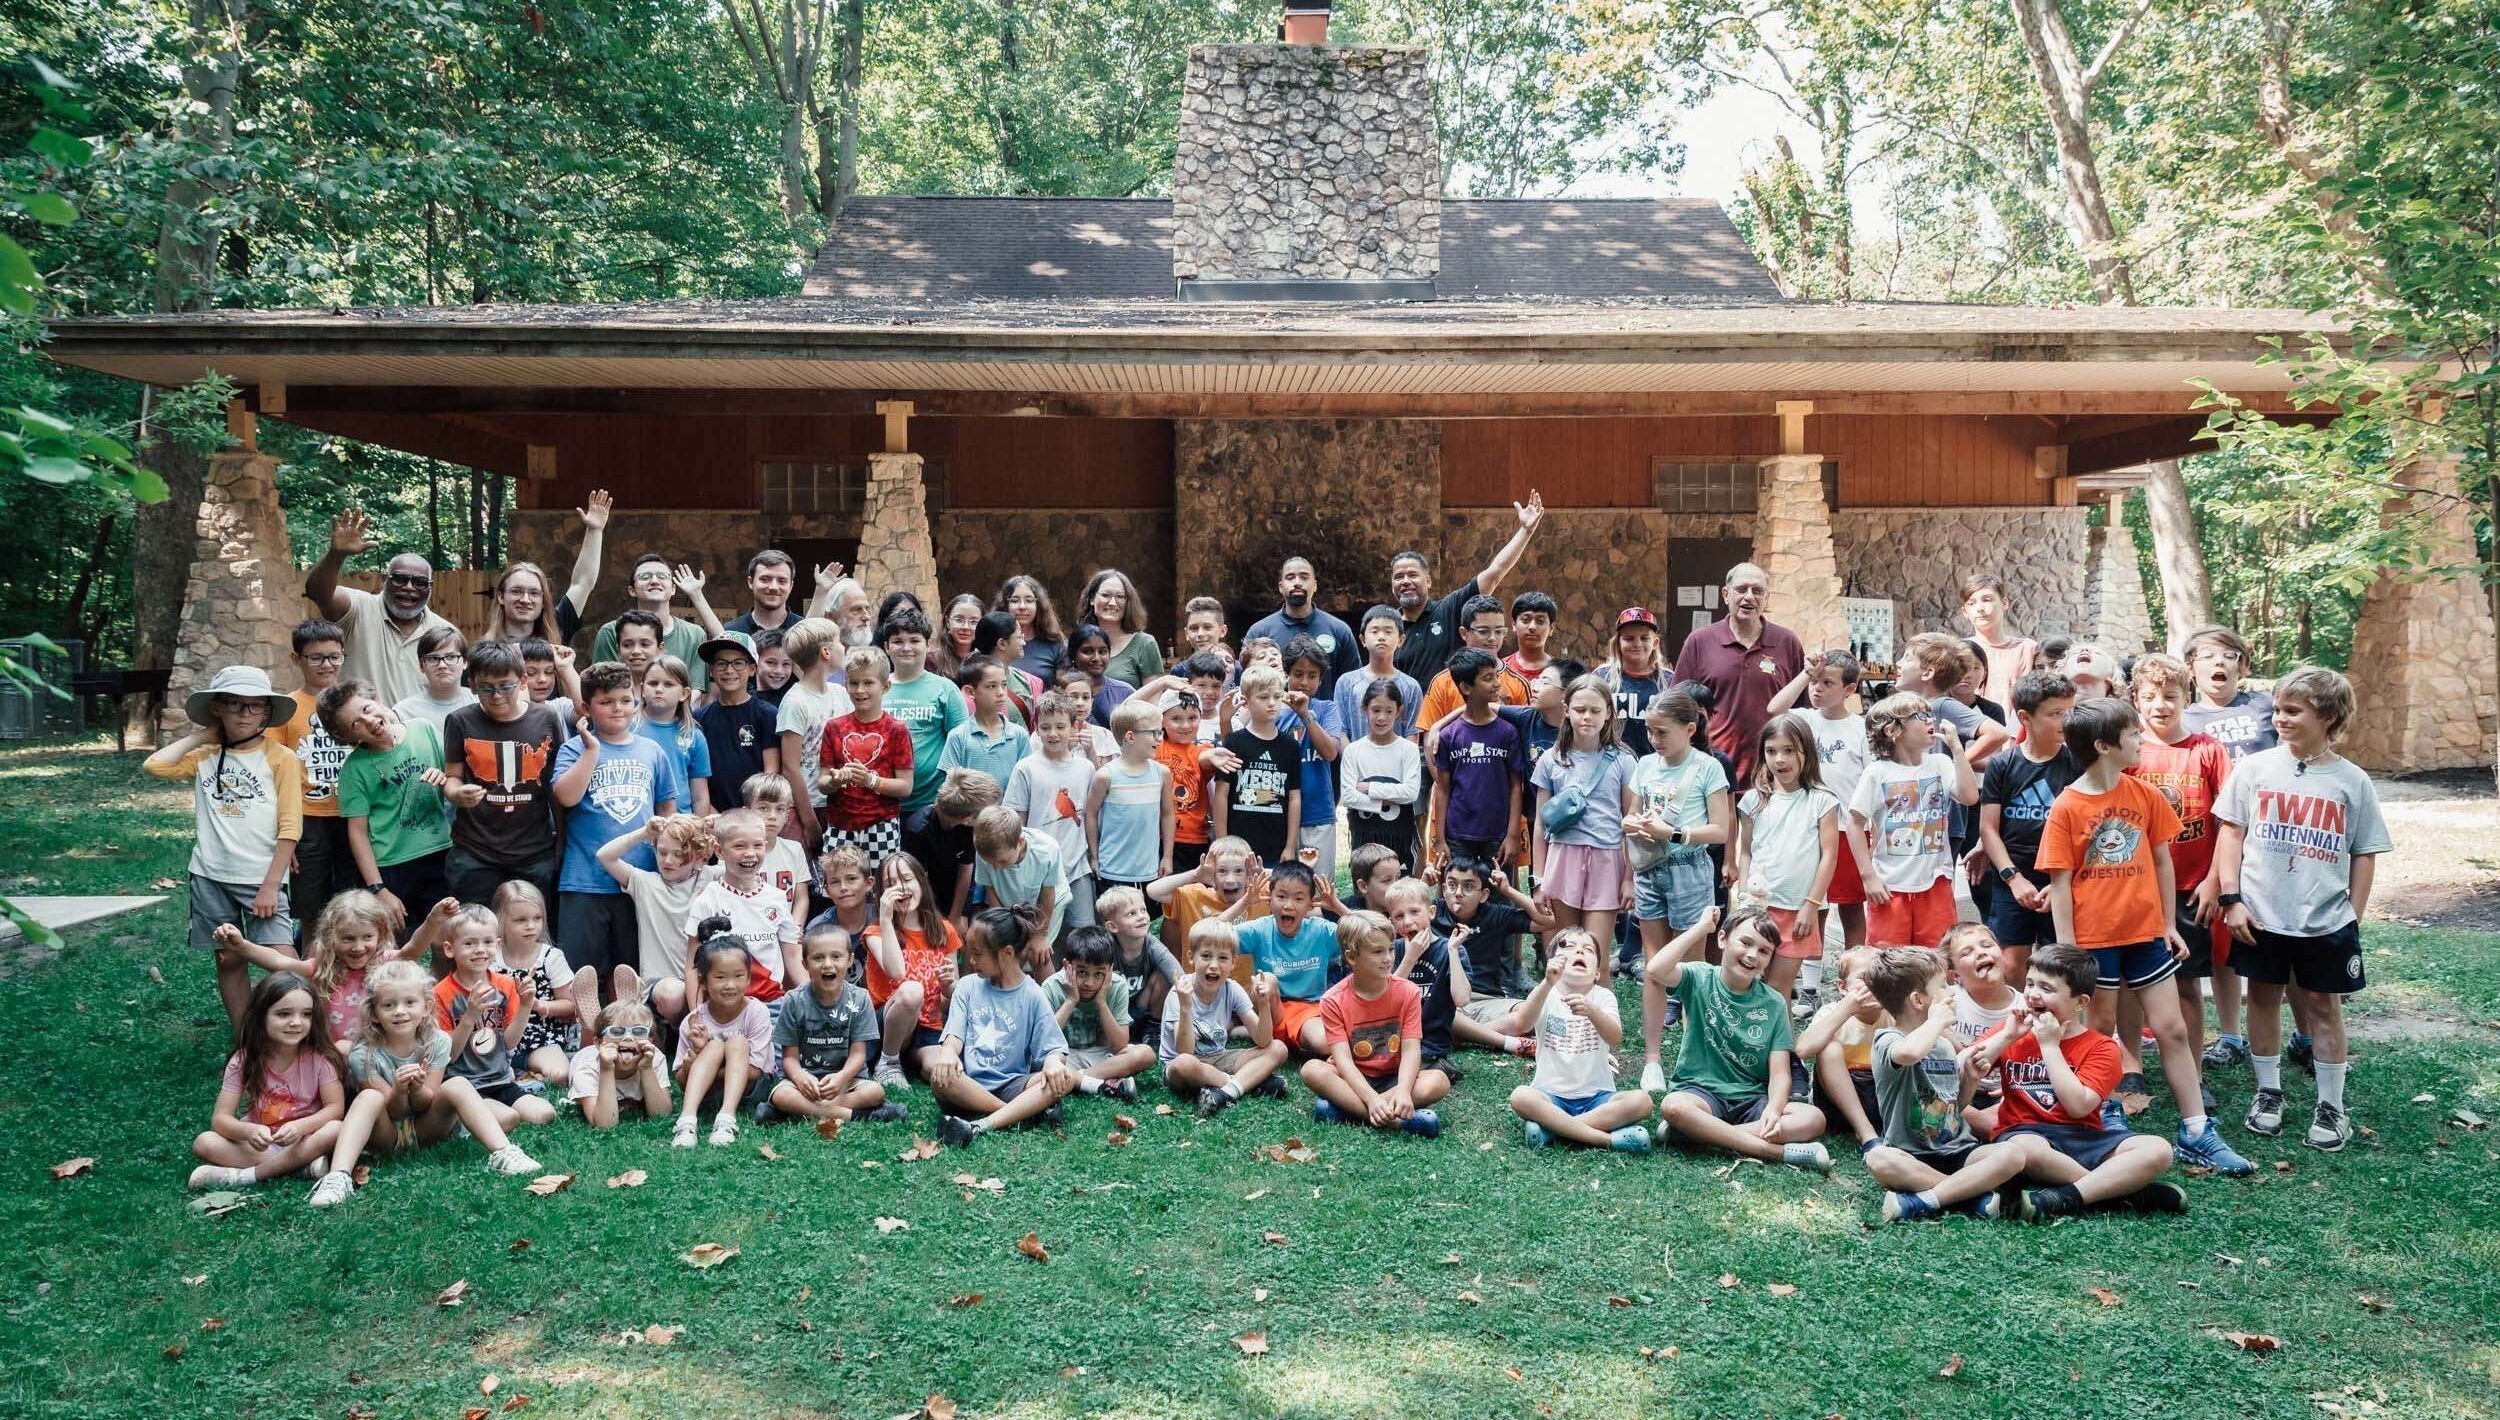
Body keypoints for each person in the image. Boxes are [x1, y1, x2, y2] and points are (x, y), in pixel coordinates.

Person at [2036, 698, 2252, 1175]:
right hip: (2093, 942)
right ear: (2104, 746)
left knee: (2172, 1028)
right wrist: (2069, 951)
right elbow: (2061, 884)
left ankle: (2197, 1130)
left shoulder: (2145, 795)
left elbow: (2160, 861)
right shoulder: (2068, 806)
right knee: (2100, 1033)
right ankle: (2101, 1119)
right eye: (2133, 735)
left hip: (2146, 934)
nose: (2141, 741)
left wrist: (2169, 923)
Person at [2213, 667, 2389, 1153]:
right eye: (2278, 709)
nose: (2281, 719)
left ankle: (2332, 1105)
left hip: (2325, 920)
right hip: (2261, 915)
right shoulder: (2254, 769)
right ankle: (2268, 1093)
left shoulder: (2352, 781)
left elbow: (2364, 852)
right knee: (2263, 999)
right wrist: (2232, 898)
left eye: (2293, 711)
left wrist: (2353, 913)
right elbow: (2231, 832)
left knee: (2322, 1006)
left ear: (2328, 716)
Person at [1967, 943, 2187, 1219]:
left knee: (2158, 1149)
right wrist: (2007, 1037)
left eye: (2046, 989)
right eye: (2030, 984)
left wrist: (2050, 1047)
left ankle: (2066, 1196)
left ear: (2080, 1002)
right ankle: (2121, 1194)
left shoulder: (2102, 1048)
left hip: (2086, 1137)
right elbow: (1965, 1064)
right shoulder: (2012, 1031)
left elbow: (2078, 1107)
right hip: (2025, 1133)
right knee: (2023, 1148)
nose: (2033, 994)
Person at [146, 664, 304, 1029]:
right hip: (210, 875)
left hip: (261, 878)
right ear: (217, 708)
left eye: (254, 705)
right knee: (228, 959)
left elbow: (291, 826)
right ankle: (245, 1037)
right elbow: (154, 766)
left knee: (280, 959)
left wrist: (270, 884)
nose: (244, 713)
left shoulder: (282, 759)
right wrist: (204, 736)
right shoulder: (202, 758)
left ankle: (292, 1034)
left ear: (267, 711)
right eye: (234, 704)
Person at [314, 959, 544, 1206]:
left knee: (456, 1084)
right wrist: (400, 1090)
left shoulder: (437, 1042)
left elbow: (427, 1102)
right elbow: (391, 1111)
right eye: (389, 1005)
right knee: (369, 1097)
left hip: (428, 1129)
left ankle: (503, 1153)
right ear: (374, 1014)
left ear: (426, 1006)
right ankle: (338, 1177)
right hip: (386, 1136)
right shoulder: (364, 1054)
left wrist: (418, 1088)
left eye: (409, 1002)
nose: (400, 1011)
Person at [1648, 907, 1832, 1172]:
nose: (1752, 955)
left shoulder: (1774, 1002)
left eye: (1764, 951)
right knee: (1674, 1105)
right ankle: (1775, 1152)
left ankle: (1701, 1135)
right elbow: (1655, 969)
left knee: (1813, 1118)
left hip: (1752, 1100)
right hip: (1701, 1094)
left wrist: (1774, 1108)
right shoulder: (1699, 977)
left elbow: (1780, 1073)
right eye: (1745, 943)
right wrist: (1701, 929)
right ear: (1722, 939)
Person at [1855, 948, 2030, 1222]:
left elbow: (1954, 1107)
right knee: (1879, 1159)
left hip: (1959, 1151)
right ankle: (1969, 1193)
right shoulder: (1886, 1039)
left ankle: (1926, 1199)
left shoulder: (1944, 1046)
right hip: (1911, 1155)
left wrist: (1970, 1079)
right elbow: (1908, 1054)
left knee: (2013, 1155)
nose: (1951, 991)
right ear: (1918, 999)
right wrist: (1937, 1021)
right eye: (1942, 985)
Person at [2126, 653, 2235, 1087]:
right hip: (2136, 888)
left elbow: (2228, 821)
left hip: (2191, 889)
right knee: (2133, 982)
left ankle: (2192, 1070)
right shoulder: (2129, 749)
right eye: (2150, 697)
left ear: (2186, 697)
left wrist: (2214, 881)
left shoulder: (2207, 750)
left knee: (2188, 983)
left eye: (2170, 696)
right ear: (2135, 699)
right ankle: (2130, 1064)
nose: (2160, 705)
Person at [2179, 623, 2279, 1075]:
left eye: (2229, 656)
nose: (2220, 663)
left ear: (2243, 664)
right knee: (2222, 942)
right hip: (2217, 840)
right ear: (2191, 667)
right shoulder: (2186, 719)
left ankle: (2302, 1034)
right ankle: (2232, 1035)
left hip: (2273, 836)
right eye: (2208, 656)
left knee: (2280, 934)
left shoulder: (2266, 705)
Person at [553, 661, 679, 1010]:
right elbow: (566, 797)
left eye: (625, 700)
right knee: (583, 973)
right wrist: (592, 750)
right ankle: (584, 1044)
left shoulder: (651, 750)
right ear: (587, 707)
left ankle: (630, 1036)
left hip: (639, 878)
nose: (618, 708)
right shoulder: (573, 750)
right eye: (607, 701)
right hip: (584, 880)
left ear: (636, 700)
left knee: (630, 974)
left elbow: (666, 808)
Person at [1626, 691, 1729, 1078]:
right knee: (1654, 966)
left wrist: (1675, 833)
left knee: (1691, 969)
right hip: (1649, 870)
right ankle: (1652, 1061)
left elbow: (1720, 830)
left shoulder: (1708, 768)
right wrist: (1633, 825)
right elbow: (1631, 814)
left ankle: (1694, 1060)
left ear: (1690, 728)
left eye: (1662, 732)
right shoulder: (1645, 765)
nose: (1654, 739)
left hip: (1689, 868)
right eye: (1650, 731)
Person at [187, 970, 347, 1194]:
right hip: (261, 1146)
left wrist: (301, 1126)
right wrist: (248, 1132)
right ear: (261, 1015)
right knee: (204, 1141)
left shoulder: (320, 1059)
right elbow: (220, 1120)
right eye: (283, 1014)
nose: (296, 1022)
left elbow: (335, 1109)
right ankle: (298, 1168)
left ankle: (247, 1176)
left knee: (336, 1129)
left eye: (306, 1014)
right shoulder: (244, 1060)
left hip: (304, 1141)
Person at [934, 907, 1080, 1146]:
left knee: (1062, 1079)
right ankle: (1017, 1113)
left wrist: (1053, 1062)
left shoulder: (1033, 993)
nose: (970, 961)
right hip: (968, 1085)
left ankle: (979, 1125)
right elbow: (953, 1037)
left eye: (977, 954)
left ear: (1007, 953)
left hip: (1014, 1084)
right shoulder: (967, 986)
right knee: (940, 1078)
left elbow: (1054, 1048)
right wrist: (948, 1053)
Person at [1844, 693, 1977, 950]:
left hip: (1935, 882)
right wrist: (1868, 875)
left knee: (1937, 956)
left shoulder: (1940, 763)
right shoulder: (1877, 772)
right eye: (1920, 716)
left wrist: (1958, 749)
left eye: (1930, 714)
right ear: (1893, 730)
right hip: (1889, 886)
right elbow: (1854, 822)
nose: (1931, 721)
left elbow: (1969, 796)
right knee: (1889, 961)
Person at [322, 679, 450, 941]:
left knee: (444, 939)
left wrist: (444, 776)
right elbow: (357, 832)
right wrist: (379, 888)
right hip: (392, 865)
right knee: (394, 946)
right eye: (355, 723)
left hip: (440, 852)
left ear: (377, 700)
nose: (368, 721)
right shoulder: (354, 768)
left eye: (367, 709)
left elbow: (455, 776)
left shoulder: (422, 730)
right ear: (346, 736)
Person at [439, 640, 563, 908]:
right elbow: (452, 776)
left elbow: (556, 787)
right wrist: (457, 793)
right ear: (471, 684)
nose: (497, 696)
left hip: (534, 851)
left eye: (505, 686)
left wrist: (562, 841)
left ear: (522, 681)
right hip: (475, 852)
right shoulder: (460, 721)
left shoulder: (547, 719)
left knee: (530, 929)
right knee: (474, 930)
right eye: (486, 688)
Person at [1504, 928, 1653, 1151]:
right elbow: (1522, 1024)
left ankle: (1554, 1130)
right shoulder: (1545, 994)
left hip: (1597, 1098)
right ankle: (1606, 1139)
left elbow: (1614, 1037)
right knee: (1520, 1096)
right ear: (1552, 963)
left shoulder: (1603, 997)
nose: (1579, 952)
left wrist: (1593, 1012)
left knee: (1642, 1102)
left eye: (1588, 950)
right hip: (1550, 1096)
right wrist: (1546, 983)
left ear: (1597, 974)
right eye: (1570, 948)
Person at [1976, 670, 2080, 981]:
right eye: (2056, 713)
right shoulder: (2003, 764)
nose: (2066, 720)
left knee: (2057, 964)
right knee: (2011, 965)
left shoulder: (2077, 763)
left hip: (2060, 877)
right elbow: (1989, 829)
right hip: (2013, 875)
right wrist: (2012, 877)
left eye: (2070, 711)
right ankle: (2019, 1027)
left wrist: (2062, 884)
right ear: (2026, 717)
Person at [1301, 910, 1443, 1137]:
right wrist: (1371, 1099)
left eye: (1389, 949)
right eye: (1377, 952)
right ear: (1352, 957)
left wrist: (1404, 1091)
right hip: (1351, 1079)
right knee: (1312, 1070)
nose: (1388, 958)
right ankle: (1391, 1119)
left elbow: (1411, 1049)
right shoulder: (1333, 1000)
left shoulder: (1408, 992)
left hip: (1393, 1079)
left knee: (1438, 1080)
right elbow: (1343, 1061)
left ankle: (1349, 1112)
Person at [1529, 673, 1636, 971]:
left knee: (1595, 962)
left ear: (1608, 714)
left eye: (1595, 710)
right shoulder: (1552, 759)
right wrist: (1538, 880)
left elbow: (1631, 823)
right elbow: (1541, 823)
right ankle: (1562, 1018)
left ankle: (1601, 1018)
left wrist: (1629, 878)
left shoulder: (1623, 761)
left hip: (1607, 860)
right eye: (1579, 710)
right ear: (1566, 711)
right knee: (1564, 958)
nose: (1587, 717)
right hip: (1563, 858)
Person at [1731, 713, 1840, 1002]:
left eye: (1789, 750)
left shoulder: (1822, 800)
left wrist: (1811, 905)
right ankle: (1767, 1046)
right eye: (1771, 751)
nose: (1780, 759)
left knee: (1778, 989)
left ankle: (1783, 1049)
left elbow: (1829, 856)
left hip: (1798, 911)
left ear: (1806, 751)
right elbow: (1746, 852)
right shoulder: (1753, 801)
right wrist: (1744, 896)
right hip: (1759, 908)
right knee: (1759, 987)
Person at [213, 891, 409, 1050]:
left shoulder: (384, 963)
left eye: (367, 937)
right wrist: (243, 946)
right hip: (334, 1055)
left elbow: (414, 948)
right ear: (330, 937)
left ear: (380, 935)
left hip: (377, 1053)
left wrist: (433, 920)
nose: (358, 947)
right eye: (348, 938)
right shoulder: (323, 968)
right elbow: (279, 962)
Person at [303, 508, 457, 708]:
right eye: (400, 579)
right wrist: (336, 556)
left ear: (430, 587)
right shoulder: (358, 609)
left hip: (418, 736)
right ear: (385, 580)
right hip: (359, 731)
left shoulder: (444, 632)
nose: (409, 587)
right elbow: (318, 593)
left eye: (419, 582)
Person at [1386, 490, 1546, 682]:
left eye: (1412, 575)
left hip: (1456, 710)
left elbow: (1495, 573)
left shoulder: (1449, 609)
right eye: (1398, 577)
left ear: (1428, 580)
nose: (1405, 581)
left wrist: (1525, 531)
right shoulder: (1388, 627)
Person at [1669, 563, 1807, 784]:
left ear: (1766, 597)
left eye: (1757, 591)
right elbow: (1678, 707)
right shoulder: (1699, 641)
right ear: (1726, 594)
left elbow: (1802, 711)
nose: (1749, 597)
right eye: (1741, 589)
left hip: (1773, 773)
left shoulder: (1787, 642)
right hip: (1711, 771)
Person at [266, 620, 355, 942]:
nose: (327, 664)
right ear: (297, 660)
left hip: (352, 816)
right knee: (311, 905)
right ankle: (311, 975)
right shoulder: (286, 709)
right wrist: (282, 835)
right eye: (316, 657)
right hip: (307, 818)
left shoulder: (355, 703)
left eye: (334, 656)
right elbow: (272, 773)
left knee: (352, 902)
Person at [431, 903, 557, 1127]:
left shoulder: (506, 985)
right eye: (469, 943)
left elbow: (509, 1042)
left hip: (499, 1079)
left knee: (544, 1114)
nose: (480, 949)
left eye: (487, 942)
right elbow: (448, 1056)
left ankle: (484, 1112)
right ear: (450, 949)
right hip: (463, 1084)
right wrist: (470, 1016)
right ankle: (460, 1115)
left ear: (497, 945)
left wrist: (526, 1004)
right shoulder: (441, 993)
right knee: (508, 1118)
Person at [764, 923, 902, 1126]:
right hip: (804, 1083)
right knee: (781, 1095)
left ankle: (797, 1111)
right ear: (805, 964)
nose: (827, 964)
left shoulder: (860, 999)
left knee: (875, 1091)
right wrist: (800, 1077)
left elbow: (858, 1054)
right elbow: (789, 1059)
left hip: (846, 1080)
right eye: (818, 958)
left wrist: (840, 1078)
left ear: (850, 960)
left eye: (836, 956)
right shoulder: (793, 1001)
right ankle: (853, 1115)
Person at [593, 814, 718, 1026]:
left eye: (679, 854)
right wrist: (644, 833)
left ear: (699, 856)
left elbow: (744, 863)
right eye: (662, 852)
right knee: (672, 994)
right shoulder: (646, 883)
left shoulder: (711, 877)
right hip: (662, 985)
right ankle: (668, 1029)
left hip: (707, 980)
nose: (668, 860)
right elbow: (605, 856)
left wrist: (721, 827)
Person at [1162, 918, 1289, 1117]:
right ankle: (1244, 1083)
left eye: (1222, 958)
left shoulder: (1232, 989)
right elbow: (1184, 1051)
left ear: (1233, 962)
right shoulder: (1179, 991)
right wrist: (1186, 1007)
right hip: (1187, 1064)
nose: (1214, 965)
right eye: (1205, 956)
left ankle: (1224, 1093)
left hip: (1219, 1057)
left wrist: (1263, 1005)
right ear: (1191, 957)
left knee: (1278, 1049)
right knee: (1183, 1064)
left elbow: (1263, 1040)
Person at [682, 806, 804, 1008]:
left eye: (757, 846)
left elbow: (792, 956)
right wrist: (696, 1014)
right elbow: (693, 966)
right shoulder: (708, 900)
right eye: (739, 846)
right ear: (719, 850)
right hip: (722, 1007)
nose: (750, 854)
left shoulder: (776, 898)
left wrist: (815, 1000)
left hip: (771, 1005)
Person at [863, 852, 964, 1092]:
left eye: (907, 879)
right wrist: (887, 920)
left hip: (928, 1028)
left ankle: (911, 1062)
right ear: (880, 894)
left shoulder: (944, 931)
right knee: (911, 990)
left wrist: (949, 984)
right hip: (887, 1024)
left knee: (948, 1072)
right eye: (890, 884)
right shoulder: (875, 932)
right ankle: (888, 1061)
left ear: (921, 880)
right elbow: (897, 972)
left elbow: (953, 996)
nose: (901, 888)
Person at [671, 928, 775, 1147]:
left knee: (736, 1042)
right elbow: (681, 1080)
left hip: (750, 1090)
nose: (730, 985)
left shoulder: (756, 1012)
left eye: (738, 976)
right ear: (703, 981)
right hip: (707, 1095)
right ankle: (687, 1121)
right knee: (715, 1046)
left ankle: (726, 1118)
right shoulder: (694, 1021)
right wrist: (697, 1056)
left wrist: (704, 1067)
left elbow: (756, 1071)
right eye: (720, 977)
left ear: (748, 978)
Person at [1436, 854, 1551, 1052]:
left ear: (1484, 895)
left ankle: (1465, 1035)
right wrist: (1421, 882)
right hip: (1443, 1000)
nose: (1458, 893)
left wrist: (1508, 890)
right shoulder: (1431, 912)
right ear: (1444, 887)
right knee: (1434, 1012)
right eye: (1452, 885)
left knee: (1538, 1014)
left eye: (1469, 886)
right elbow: (1398, 915)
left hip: (1486, 1001)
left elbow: (1548, 921)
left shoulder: (1494, 914)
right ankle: (1499, 1040)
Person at [1005, 692, 1096, 933]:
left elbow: (1092, 816)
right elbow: (1016, 819)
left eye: (1060, 727)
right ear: (1036, 729)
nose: (1053, 734)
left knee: (1083, 930)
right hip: (1037, 866)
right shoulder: (1026, 767)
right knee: (1038, 932)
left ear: (1073, 727)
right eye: (1045, 727)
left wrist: (1094, 856)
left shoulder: (1085, 768)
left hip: (1077, 864)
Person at [1426, 649, 1526, 869]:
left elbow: (1516, 786)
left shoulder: (1508, 732)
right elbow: (1442, 789)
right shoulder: (1449, 735)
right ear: (1465, 687)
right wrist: (1441, 839)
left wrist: (1512, 835)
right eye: (1487, 678)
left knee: (1499, 894)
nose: (1497, 683)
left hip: (1497, 836)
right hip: (1458, 836)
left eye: (1496, 676)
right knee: (1459, 896)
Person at [816, 645, 913, 860]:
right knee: (839, 886)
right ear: (845, 684)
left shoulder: (896, 729)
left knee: (881, 886)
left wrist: (871, 780)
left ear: (885, 686)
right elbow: (822, 782)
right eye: (853, 683)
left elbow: (905, 786)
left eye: (868, 683)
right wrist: (835, 781)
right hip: (839, 825)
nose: (860, 690)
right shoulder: (834, 727)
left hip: (882, 826)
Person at [1043, 925, 1158, 1101]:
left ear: (1110, 970)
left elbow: (1120, 1045)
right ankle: (1092, 1080)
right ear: (1067, 965)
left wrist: (1102, 1002)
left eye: (1099, 974)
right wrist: (1070, 1000)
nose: (1089, 982)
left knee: (1145, 1053)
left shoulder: (1117, 986)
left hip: (1102, 1056)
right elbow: (1044, 1041)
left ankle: (1075, 1079)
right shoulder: (1052, 986)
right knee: (1036, 1062)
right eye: (1082, 972)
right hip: (1064, 1056)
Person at [1236, 860, 1339, 1055]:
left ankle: (1257, 1033)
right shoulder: (1260, 929)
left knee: (1325, 1044)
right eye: (1281, 896)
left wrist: (1337, 908)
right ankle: (1265, 1031)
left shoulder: (1321, 931)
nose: (1288, 906)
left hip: (1308, 1010)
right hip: (1268, 1005)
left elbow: (1373, 935)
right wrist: (1244, 903)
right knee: (1267, 980)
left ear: (1311, 903)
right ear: (1269, 899)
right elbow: (1207, 935)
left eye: (1299, 899)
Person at [482, 490, 610, 645]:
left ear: (543, 600)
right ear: (501, 597)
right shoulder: (485, 650)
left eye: (534, 593)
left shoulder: (557, 627)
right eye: (516, 591)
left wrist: (595, 530)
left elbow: (582, 583)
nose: (525, 599)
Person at [773, 617, 854, 852]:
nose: (844, 648)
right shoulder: (795, 702)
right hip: (807, 805)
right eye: (839, 642)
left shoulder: (840, 694)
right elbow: (790, 767)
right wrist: (808, 822)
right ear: (826, 652)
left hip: (839, 801)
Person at [490, 881, 585, 1080]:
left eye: (537, 918)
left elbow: (570, 1004)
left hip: (540, 1037)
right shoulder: (490, 957)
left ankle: (523, 1073)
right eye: (520, 920)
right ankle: (520, 1075)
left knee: (560, 1075)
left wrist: (541, 1005)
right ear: (500, 921)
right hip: (498, 1036)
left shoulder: (550, 956)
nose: (531, 926)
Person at [1211, 666, 1301, 869]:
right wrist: (1222, 841)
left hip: (1276, 846)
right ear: (1246, 700)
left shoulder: (1291, 746)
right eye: (1263, 697)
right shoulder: (1234, 742)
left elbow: (1294, 798)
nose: (1271, 703)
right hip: (1237, 845)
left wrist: (1290, 846)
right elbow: (1221, 794)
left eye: (1277, 696)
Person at [1088, 699, 1175, 901]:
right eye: (1154, 733)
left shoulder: (1161, 773)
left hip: (1150, 871)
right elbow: (1091, 815)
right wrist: (1094, 856)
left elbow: (1168, 814)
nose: (1159, 738)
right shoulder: (1106, 776)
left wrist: (1167, 856)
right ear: (1130, 736)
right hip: (1111, 871)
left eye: (1160, 732)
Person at [1280, 635, 1347, 884]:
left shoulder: (1326, 709)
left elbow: (1330, 752)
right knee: (1282, 886)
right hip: (1279, 813)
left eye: (1312, 676)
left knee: (1319, 888)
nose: (1304, 682)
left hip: (1317, 813)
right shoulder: (1273, 711)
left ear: (1320, 680)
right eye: (1298, 673)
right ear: (1286, 673)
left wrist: (1306, 715)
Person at [972, 805, 1071, 966]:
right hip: (1010, 901)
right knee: (1011, 955)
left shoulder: (1046, 850)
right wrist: (1004, 925)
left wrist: (1040, 935)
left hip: (1047, 906)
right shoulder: (986, 853)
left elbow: (1047, 896)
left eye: (1001, 861)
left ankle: (1043, 989)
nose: (995, 867)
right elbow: (992, 891)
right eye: (990, 862)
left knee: (1038, 954)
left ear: (1020, 842)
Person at [592, 554, 708, 691]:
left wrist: (667, 710)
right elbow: (605, 688)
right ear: (632, 590)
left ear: (673, 589)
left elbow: (695, 691)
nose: (654, 581)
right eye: (645, 577)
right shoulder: (611, 632)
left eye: (662, 576)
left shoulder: (694, 635)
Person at [1414, 594, 1532, 730]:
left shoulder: (1518, 683)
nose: (1493, 638)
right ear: (1464, 633)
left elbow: (1528, 734)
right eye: (1483, 631)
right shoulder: (1442, 682)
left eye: (1499, 631)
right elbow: (1431, 737)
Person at [1246, 557, 1359, 696]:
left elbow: (1352, 684)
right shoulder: (1259, 631)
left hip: (1325, 716)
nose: (1297, 582)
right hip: (1273, 715)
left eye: (1304, 577)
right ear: (1281, 586)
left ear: (1315, 585)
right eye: (1290, 577)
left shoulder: (1339, 630)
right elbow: (1246, 682)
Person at [1341, 680, 1423, 871]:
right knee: (1366, 891)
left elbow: (1410, 792)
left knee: (1399, 892)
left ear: (1399, 711)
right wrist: (1388, 801)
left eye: (1388, 711)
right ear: (1365, 709)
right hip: (1364, 834)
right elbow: (1348, 796)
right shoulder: (1353, 750)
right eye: (1376, 710)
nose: (1381, 718)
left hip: (1399, 834)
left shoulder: (1408, 750)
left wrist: (1369, 788)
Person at [1149, 836, 1268, 963]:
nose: (1230, 880)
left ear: (1248, 874)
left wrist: (1264, 874)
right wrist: (1194, 875)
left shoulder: (1259, 894)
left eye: (1238, 871)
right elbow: (1153, 890)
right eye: (1222, 871)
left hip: (1248, 982)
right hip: (1199, 981)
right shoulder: (1195, 895)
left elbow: (1289, 883)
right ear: (1212, 874)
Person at [1096, 885, 1182, 1046]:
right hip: (1111, 1012)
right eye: (1132, 913)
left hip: (1141, 1007)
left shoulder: (1152, 944)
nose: (1141, 917)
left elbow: (1178, 976)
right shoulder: (1104, 948)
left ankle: (1153, 1028)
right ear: (1113, 927)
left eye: (1143, 910)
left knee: (1164, 975)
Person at [571, 997, 673, 1129]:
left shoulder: (654, 1058)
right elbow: (605, 1124)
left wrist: (647, 1069)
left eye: (639, 1031)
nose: (628, 1037)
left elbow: (662, 1116)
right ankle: (586, 1024)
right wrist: (606, 1069)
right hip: (585, 1056)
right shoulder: (587, 1069)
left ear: (651, 1040)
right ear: (598, 1042)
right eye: (617, 1031)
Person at [1335, 606, 1423, 740]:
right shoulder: (1346, 682)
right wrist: (1351, 759)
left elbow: (1411, 734)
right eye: (1374, 631)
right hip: (1356, 759)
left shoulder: (1410, 686)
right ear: (1363, 639)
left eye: (1388, 632)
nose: (1381, 637)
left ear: (1401, 640)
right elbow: (1341, 731)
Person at [1152, 690, 1215, 876]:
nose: (1185, 725)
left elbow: (1207, 757)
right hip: (1159, 838)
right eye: (1176, 719)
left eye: (1193, 718)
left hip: (1195, 840)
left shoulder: (1202, 750)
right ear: (1161, 720)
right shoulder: (1154, 747)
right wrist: (1161, 683)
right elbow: (1125, 712)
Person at [1597, 607, 1671, 757]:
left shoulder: (1670, 681)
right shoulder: (1601, 677)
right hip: (1609, 764)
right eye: (1629, 638)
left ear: (1656, 643)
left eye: (1644, 638)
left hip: (1656, 765)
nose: (1637, 643)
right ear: (1618, 642)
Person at [1960, 574, 2038, 708]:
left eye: (1987, 600)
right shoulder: (1958, 651)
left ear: (2005, 603)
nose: (1980, 608)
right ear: (1965, 611)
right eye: (1971, 603)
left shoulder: (2027, 649)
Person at [1079, 568, 1164, 690]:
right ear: (1092, 599)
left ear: (1128, 602)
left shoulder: (1145, 644)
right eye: (1105, 595)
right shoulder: (1077, 643)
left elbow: (1154, 699)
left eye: (1120, 596)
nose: (1113, 602)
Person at [971, 610, 1049, 728]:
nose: (1023, 642)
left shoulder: (1030, 682)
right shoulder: (973, 686)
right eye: (1019, 637)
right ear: (1002, 643)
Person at [994, 574, 1068, 685]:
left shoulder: (1057, 644)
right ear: (1004, 605)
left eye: (1029, 600)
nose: (1022, 606)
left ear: (1039, 605)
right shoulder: (993, 643)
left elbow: (1063, 690)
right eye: (1015, 601)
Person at [724, 549, 803, 638]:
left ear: (791, 586)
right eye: (765, 579)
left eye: (782, 581)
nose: (773, 587)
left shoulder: (803, 630)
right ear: (750, 582)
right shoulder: (732, 631)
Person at [1505, 590, 1558, 682]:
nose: (1532, 627)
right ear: (1514, 625)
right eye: (1525, 620)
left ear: (1551, 629)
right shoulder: (1501, 669)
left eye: (1540, 621)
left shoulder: (1562, 672)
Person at [936, 593, 986, 678]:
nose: (966, 627)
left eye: (974, 622)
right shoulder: (931, 661)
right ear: (948, 622)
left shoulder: (988, 661)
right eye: (959, 620)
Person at [1180, 596, 1233, 671]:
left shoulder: (1236, 670)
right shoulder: (1180, 671)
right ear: (1186, 633)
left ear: (1222, 631)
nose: (1200, 634)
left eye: (1207, 627)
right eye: (1194, 628)